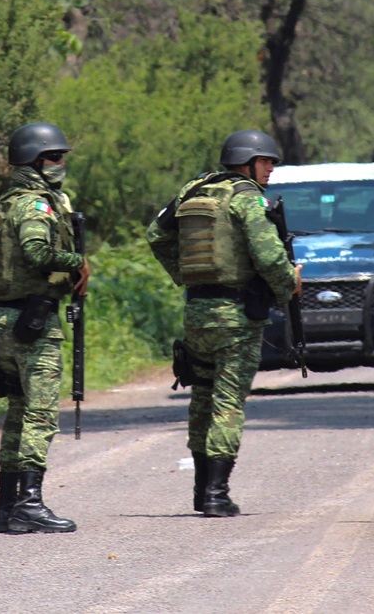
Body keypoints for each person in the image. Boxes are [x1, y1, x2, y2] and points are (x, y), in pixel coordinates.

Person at [146, 130, 301, 517]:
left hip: (197, 312)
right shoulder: (247, 198)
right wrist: (287, 287)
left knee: (201, 398)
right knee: (227, 403)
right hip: (236, 316)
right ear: (246, 163)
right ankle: (217, 494)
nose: (270, 169)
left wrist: (186, 275)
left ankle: (202, 491)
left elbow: (156, 234)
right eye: (265, 162)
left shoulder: (193, 190)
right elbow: (268, 256)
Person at [0, 122, 89, 534]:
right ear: (34, 162)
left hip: (2, 320)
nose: (61, 164)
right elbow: (36, 250)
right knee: (39, 416)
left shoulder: (5, 203)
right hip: (33, 323)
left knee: (17, 413)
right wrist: (77, 262)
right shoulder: (34, 205)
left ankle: (7, 508)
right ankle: (29, 503)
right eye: (54, 158)